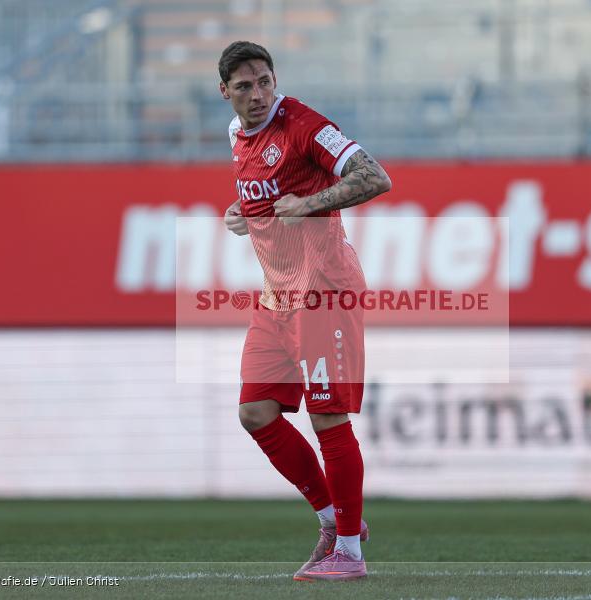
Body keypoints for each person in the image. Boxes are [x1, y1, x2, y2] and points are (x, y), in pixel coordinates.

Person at [219, 40, 392, 581]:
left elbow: (375, 177)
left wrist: (311, 203)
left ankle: (350, 555)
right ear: (224, 92)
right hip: (278, 296)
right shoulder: (236, 135)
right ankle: (334, 521)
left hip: (324, 291)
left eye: (264, 81)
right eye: (244, 86)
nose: (257, 94)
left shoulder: (305, 125)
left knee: (326, 417)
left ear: (276, 79)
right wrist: (249, 211)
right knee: (255, 411)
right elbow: (273, 188)